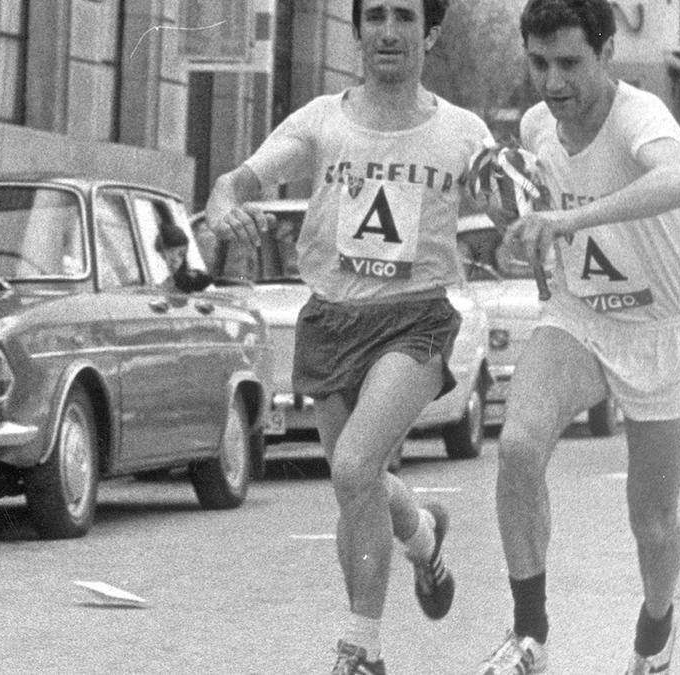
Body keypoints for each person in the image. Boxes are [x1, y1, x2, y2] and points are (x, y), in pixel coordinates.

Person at [204, 1, 492, 672]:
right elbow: (241, 178)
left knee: (356, 465)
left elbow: (514, 192)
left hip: (415, 317)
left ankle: (361, 648)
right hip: (333, 318)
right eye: (376, 16)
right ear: (357, 29)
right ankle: (423, 538)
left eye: (405, 18)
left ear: (432, 32)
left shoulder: (462, 132)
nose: (389, 32)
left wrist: (522, 205)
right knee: (357, 479)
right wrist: (224, 201)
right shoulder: (322, 120)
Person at [475, 1, 680, 673]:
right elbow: (542, 223)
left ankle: (656, 628)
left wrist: (577, 219)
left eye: (571, 63)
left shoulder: (642, 118)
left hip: (661, 329)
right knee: (517, 447)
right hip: (581, 319)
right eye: (539, 63)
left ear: (605, 53)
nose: (553, 82)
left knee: (652, 521)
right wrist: (525, 231)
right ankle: (529, 636)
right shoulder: (536, 125)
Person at [153, 220, 212, 293]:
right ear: (161, 253)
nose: (175, 258)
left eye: (181, 254)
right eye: (171, 251)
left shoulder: (192, 282)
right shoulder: (156, 283)